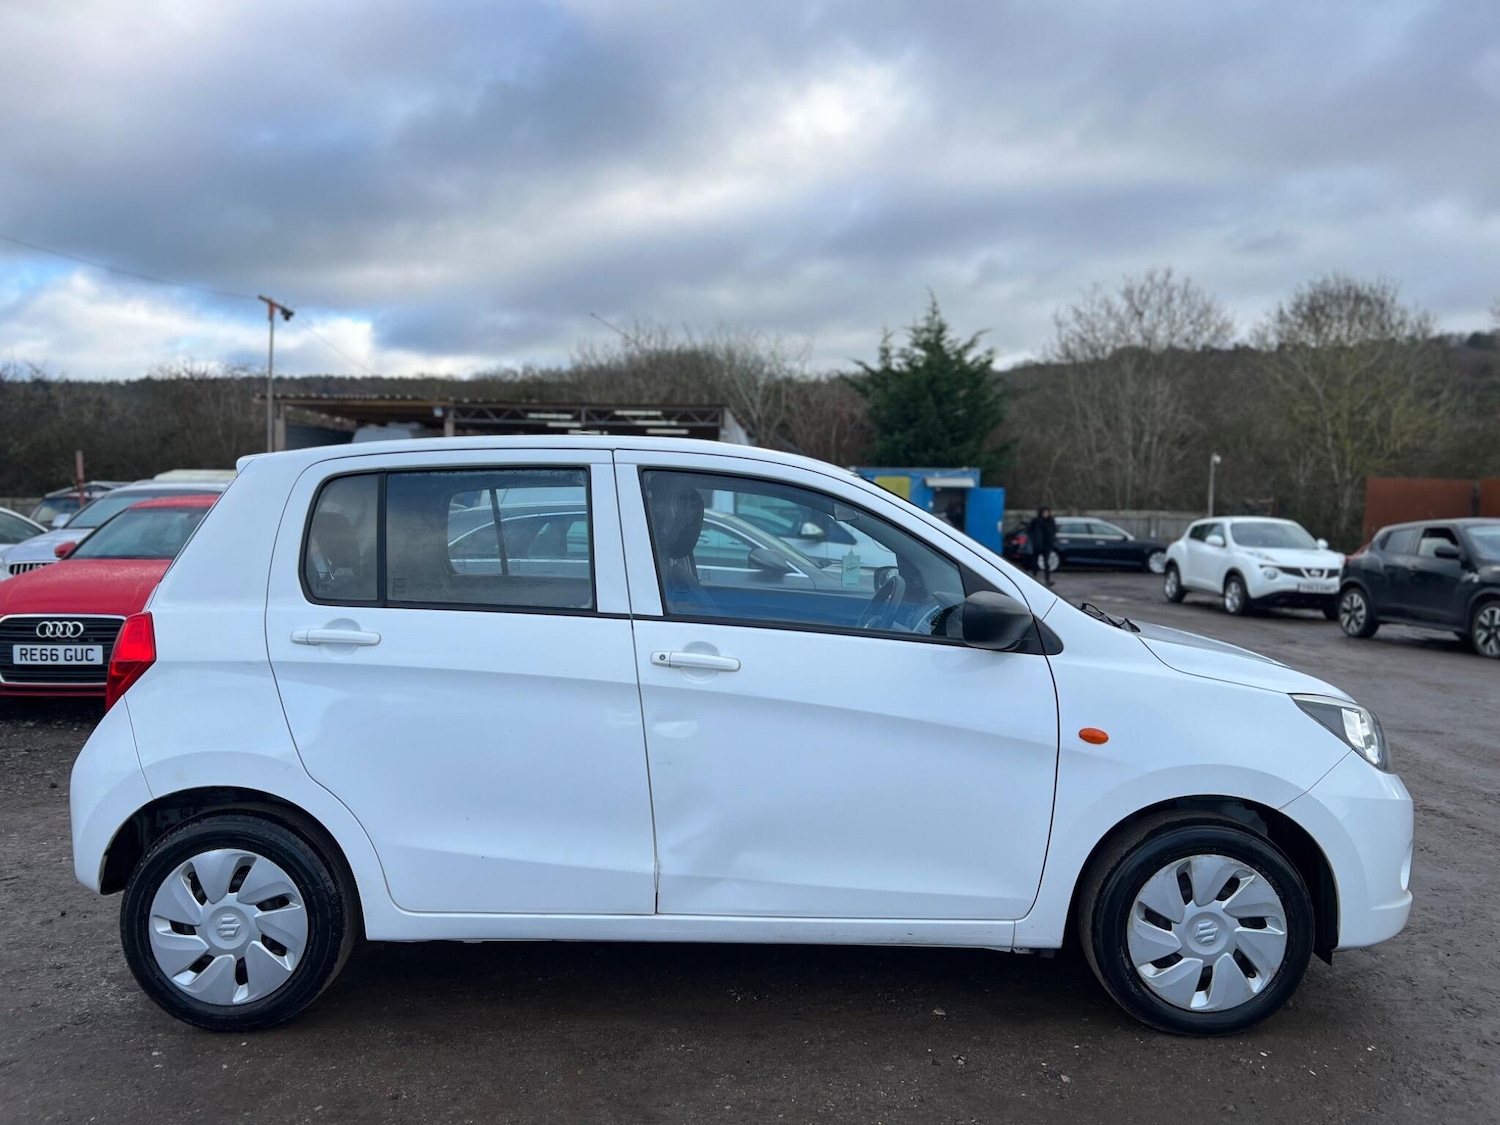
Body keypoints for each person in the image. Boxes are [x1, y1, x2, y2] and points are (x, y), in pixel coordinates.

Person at [1028, 505, 1058, 587]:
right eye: (1044, 512)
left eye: (1047, 512)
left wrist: (1051, 541)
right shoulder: (1036, 521)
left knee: (1046, 562)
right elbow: (1029, 530)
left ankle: (1047, 580)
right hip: (1037, 544)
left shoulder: (1051, 521)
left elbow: (1053, 531)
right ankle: (1034, 577)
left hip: (1047, 545)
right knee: (1035, 562)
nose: (1046, 514)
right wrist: (1034, 539)